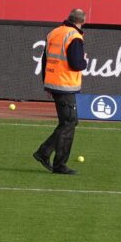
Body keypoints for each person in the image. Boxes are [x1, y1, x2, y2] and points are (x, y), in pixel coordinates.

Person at [34, 9, 88, 175]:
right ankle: (55, 161)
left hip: (53, 82)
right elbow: (76, 64)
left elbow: (45, 59)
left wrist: (46, 83)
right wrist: (84, 62)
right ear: (82, 21)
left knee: (69, 122)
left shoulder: (54, 32)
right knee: (69, 123)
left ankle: (46, 154)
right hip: (65, 84)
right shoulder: (74, 37)